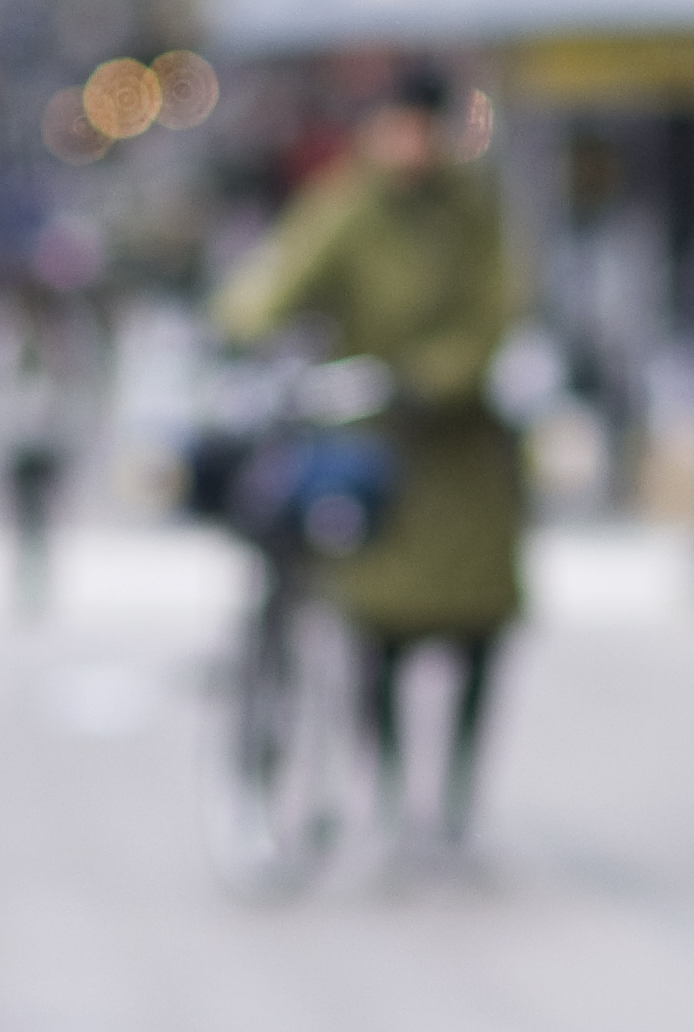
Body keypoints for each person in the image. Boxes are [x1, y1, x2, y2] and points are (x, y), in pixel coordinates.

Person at [213, 63, 531, 851]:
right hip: (377, 454)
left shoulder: (473, 208)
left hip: (462, 456)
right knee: (375, 631)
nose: (406, 144)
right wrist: (240, 332)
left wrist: (437, 376)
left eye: (419, 127)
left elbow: (499, 309)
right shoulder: (347, 206)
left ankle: (455, 801)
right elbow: (275, 282)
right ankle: (389, 795)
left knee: (478, 632)